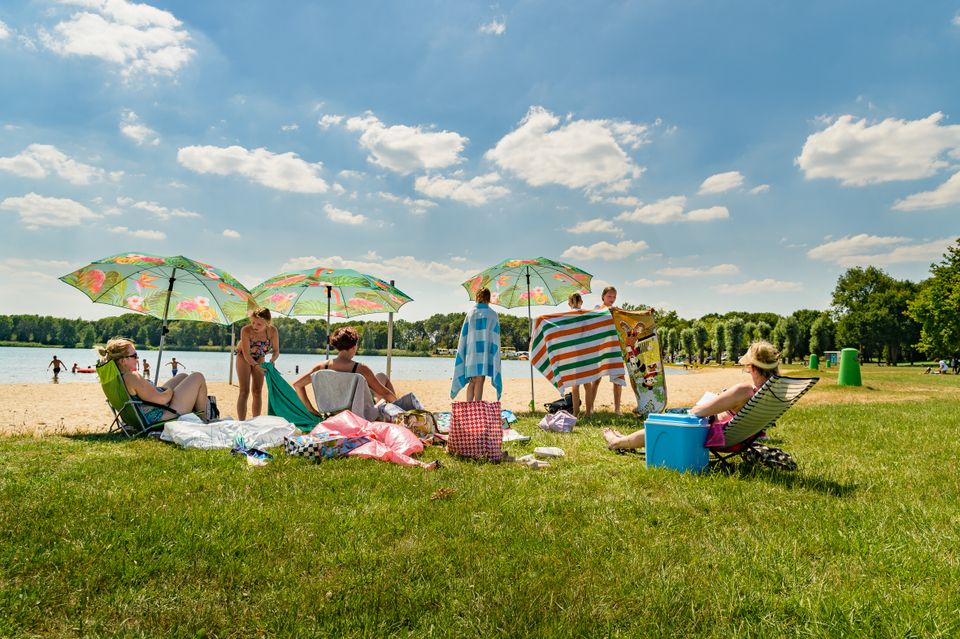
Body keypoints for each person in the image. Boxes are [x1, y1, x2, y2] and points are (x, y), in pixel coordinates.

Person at [603, 340, 781, 451]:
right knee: (675, 415)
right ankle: (624, 439)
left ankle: (617, 443)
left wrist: (718, 399)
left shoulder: (745, 390)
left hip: (716, 436)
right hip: (744, 439)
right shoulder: (774, 393)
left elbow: (698, 411)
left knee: (666, 421)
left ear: (752, 367)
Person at [293, 326, 415, 417]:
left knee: (380, 376)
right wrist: (402, 410)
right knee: (383, 382)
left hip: (335, 413)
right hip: (360, 414)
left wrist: (311, 410)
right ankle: (399, 416)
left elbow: (297, 385)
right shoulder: (360, 368)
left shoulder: (321, 367)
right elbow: (386, 394)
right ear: (353, 347)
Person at [98, 337, 213, 424]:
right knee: (198, 376)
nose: (137, 359)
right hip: (163, 415)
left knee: (183, 376)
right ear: (123, 360)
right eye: (134, 355)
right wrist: (169, 390)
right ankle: (203, 420)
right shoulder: (131, 377)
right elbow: (162, 399)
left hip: (147, 413)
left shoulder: (118, 378)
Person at [451, 287, 502, 402]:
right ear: (488, 298)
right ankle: (477, 406)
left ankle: (469, 406)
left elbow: (464, 336)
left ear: (477, 297)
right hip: (484, 352)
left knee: (473, 380)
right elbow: (495, 337)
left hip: (471, 352)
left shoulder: (471, 313)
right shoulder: (493, 314)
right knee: (480, 380)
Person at [235, 307, 281, 421]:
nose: (255, 326)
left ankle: (256, 422)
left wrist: (272, 360)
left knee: (257, 391)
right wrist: (256, 366)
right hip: (243, 357)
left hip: (260, 357)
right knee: (244, 391)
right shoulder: (246, 330)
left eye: (259, 324)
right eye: (253, 322)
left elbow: (276, 351)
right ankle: (241, 422)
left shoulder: (273, 331)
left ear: (267, 323)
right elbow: (247, 355)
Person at [586, 286, 624, 415]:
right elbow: (591, 323)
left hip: (615, 348)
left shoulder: (617, 312)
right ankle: (590, 408)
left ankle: (617, 409)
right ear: (603, 296)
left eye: (614, 297)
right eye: (609, 296)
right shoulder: (597, 309)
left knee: (618, 378)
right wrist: (607, 311)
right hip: (600, 349)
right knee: (596, 379)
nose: (612, 299)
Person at [567, 292, 584, 415]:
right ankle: (589, 412)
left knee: (575, 385)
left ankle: (576, 412)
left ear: (569, 303)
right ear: (581, 302)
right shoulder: (587, 315)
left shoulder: (567, 316)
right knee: (588, 383)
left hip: (575, 352)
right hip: (587, 351)